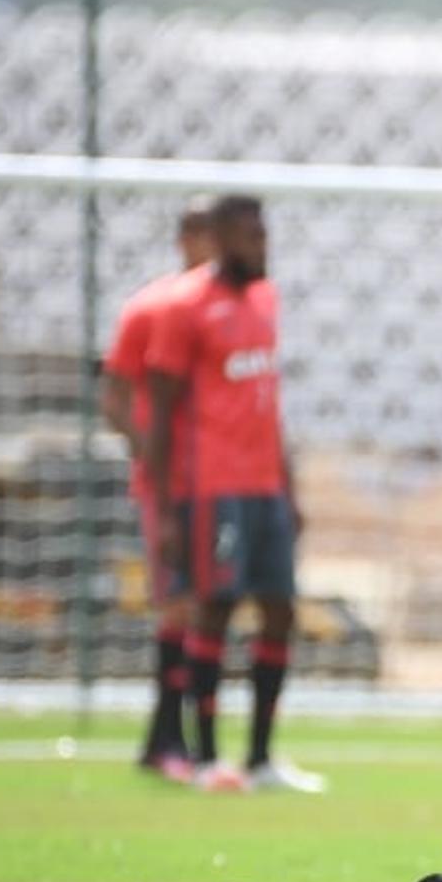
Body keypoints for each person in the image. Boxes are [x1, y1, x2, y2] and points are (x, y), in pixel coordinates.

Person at [146, 195, 323, 796]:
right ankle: (205, 758)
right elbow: (160, 411)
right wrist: (168, 507)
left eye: (264, 235)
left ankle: (260, 758)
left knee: (281, 610)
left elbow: (268, 405)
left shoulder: (265, 300)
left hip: (265, 486)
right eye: (250, 237)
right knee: (215, 609)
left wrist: (290, 489)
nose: (261, 246)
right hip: (211, 487)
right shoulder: (185, 307)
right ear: (219, 239)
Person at [100, 200, 216, 782]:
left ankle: (174, 741)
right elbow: (114, 398)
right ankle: (172, 740)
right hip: (170, 487)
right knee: (177, 605)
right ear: (190, 239)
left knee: (205, 609)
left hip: (223, 482)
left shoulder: (230, 310)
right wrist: (155, 457)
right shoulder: (152, 308)